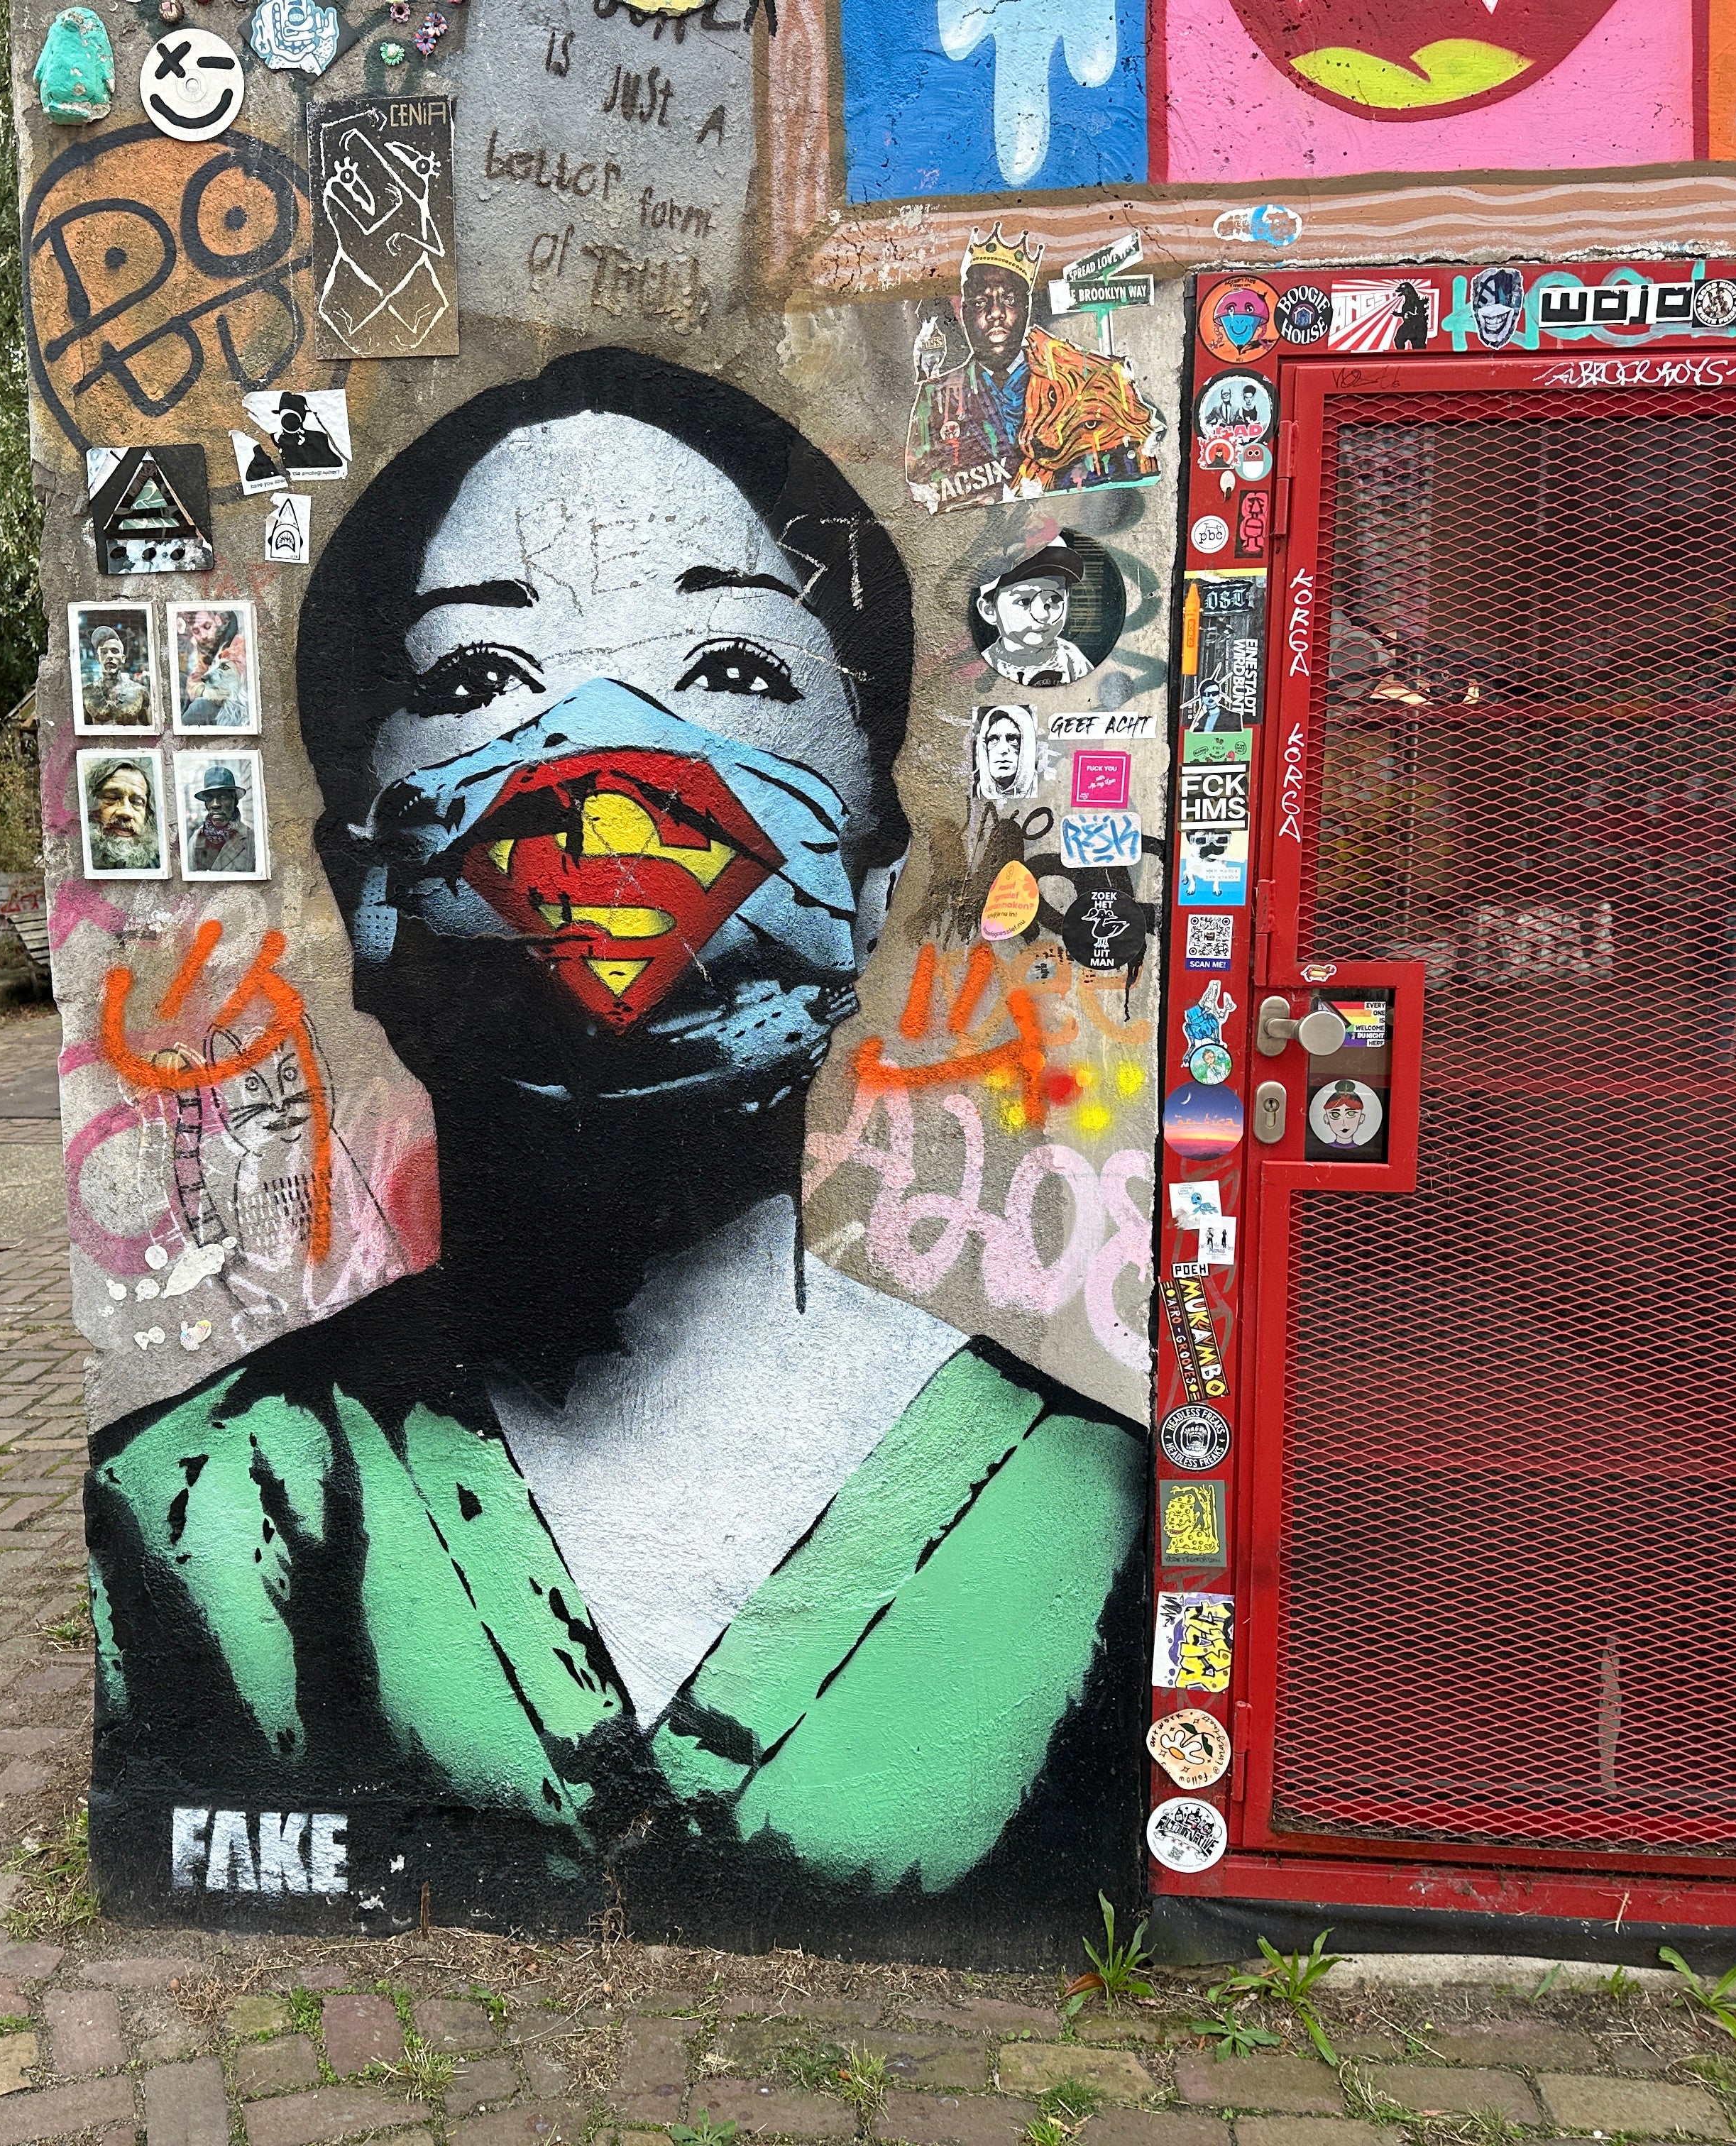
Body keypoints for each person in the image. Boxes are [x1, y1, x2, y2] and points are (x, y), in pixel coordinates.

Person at [85, 348, 1147, 1947]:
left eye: (728, 665)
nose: (603, 774)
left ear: (871, 880)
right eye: (473, 683)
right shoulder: (189, 1521)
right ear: (364, 889)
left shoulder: (1099, 1523)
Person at [906, 225, 1162, 512]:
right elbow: (922, 489)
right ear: (963, 314)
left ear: (1027, 310)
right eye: (980, 302)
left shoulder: (1073, 379)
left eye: (1010, 300)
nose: (996, 313)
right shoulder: (936, 397)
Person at [975, 539, 1093, 686]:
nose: (1043, 616)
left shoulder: (1070, 657)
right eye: (1025, 601)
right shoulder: (984, 665)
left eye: (1054, 599)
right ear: (989, 610)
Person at [84, 759, 161, 871]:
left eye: (137, 803)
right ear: (90, 805)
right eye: (112, 798)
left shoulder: (158, 864)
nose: (126, 812)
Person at [176, 609, 248, 727]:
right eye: (196, 631)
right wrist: (209, 692)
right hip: (221, 702)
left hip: (238, 705)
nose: (203, 635)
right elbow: (194, 681)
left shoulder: (238, 643)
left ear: (218, 621)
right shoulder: (206, 651)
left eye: (207, 626)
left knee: (199, 707)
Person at [185, 762, 258, 873]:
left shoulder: (251, 840)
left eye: (223, 796)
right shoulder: (196, 840)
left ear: (235, 801)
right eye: (209, 798)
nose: (215, 804)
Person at [79, 622, 150, 726]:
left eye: (114, 651)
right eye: (104, 652)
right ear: (98, 658)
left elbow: (148, 730)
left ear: (122, 659)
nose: (109, 656)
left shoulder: (139, 692)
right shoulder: (87, 693)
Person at [972, 704, 1035, 800]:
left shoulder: (1042, 785)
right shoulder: (972, 788)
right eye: (993, 740)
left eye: (1013, 739)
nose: (1003, 750)